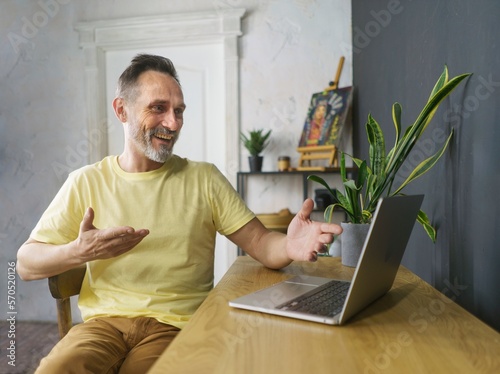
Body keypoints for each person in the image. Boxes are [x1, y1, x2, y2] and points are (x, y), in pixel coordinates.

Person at [17, 54, 342, 373]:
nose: (173, 123)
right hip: (101, 328)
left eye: (179, 111)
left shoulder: (205, 178)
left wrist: (289, 245)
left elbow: (260, 242)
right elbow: (26, 263)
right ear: (122, 110)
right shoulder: (85, 181)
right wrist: (77, 251)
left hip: (175, 327)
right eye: (158, 108)